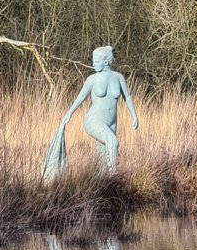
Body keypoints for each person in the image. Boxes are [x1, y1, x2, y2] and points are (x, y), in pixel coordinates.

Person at [54, 45, 139, 176]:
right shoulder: (92, 79)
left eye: (96, 61)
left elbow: (127, 96)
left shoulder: (118, 77)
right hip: (94, 120)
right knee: (113, 142)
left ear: (106, 62)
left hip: (111, 122)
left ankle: (102, 186)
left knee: (103, 156)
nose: (93, 64)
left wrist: (134, 115)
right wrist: (68, 114)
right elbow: (81, 97)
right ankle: (115, 179)